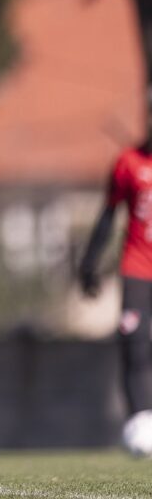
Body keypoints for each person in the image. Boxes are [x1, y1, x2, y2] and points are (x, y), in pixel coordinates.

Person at [78, 135, 152, 421]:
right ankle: (141, 423)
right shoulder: (128, 163)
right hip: (137, 270)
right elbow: (108, 215)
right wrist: (89, 263)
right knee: (135, 347)